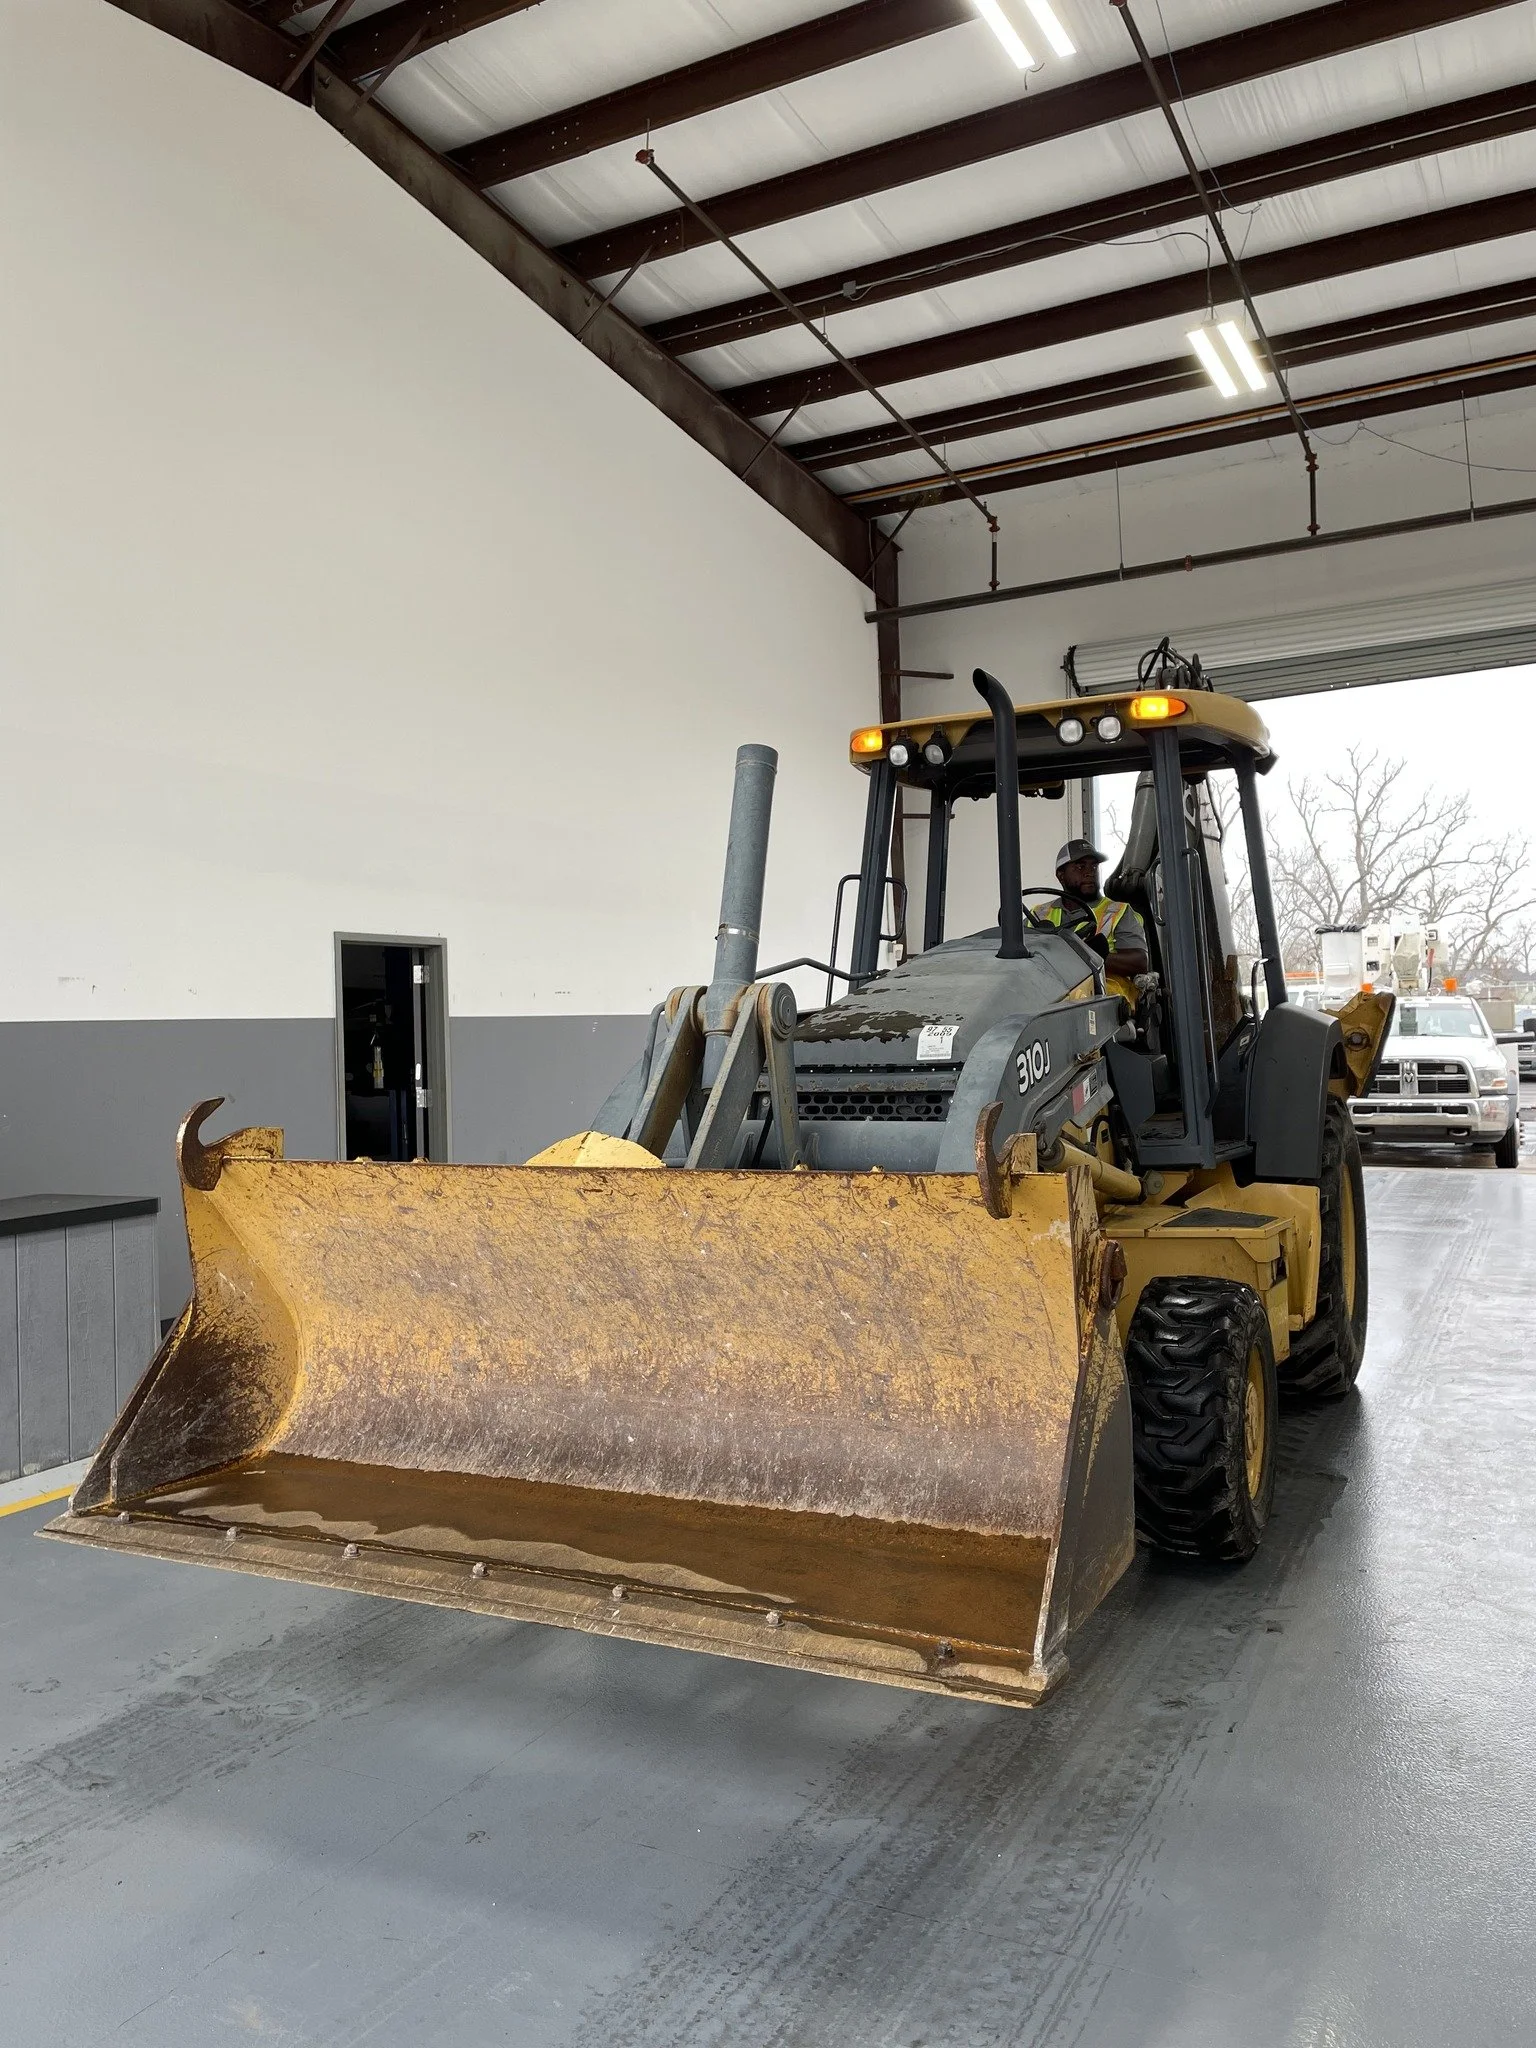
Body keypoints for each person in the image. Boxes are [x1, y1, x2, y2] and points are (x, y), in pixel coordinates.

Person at [1042, 838, 1149, 1005]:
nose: (1089, 872)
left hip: (1106, 1001)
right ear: (1061, 875)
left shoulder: (1118, 911)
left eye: (1093, 866)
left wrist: (1090, 956)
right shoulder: (1039, 915)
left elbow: (1139, 962)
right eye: (1080, 867)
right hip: (1052, 994)